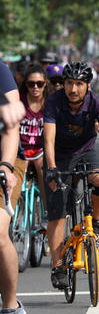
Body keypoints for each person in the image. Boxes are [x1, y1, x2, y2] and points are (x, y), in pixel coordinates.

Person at [43, 61, 99, 290]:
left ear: (87, 86)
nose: (73, 89)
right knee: (58, 215)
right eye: (69, 83)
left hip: (85, 152)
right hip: (59, 156)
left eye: (79, 84)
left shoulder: (96, 103)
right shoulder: (53, 102)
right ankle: (58, 265)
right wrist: (51, 168)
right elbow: (48, 139)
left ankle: (96, 220)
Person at [0, 61, 27, 314]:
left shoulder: (0, 70)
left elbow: (11, 126)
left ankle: (10, 306)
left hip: (6, 159)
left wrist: (6, 166)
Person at [15, 65, 48, 217]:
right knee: (12, 179)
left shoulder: (49, 104)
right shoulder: (18, 102)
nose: (35, 87)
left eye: (39, 84)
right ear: (25, 85)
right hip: (19, 150)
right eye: (31, 84)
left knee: (43, 171)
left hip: (40, 151)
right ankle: (10, 215)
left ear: (45, 84)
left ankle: (47, 212)